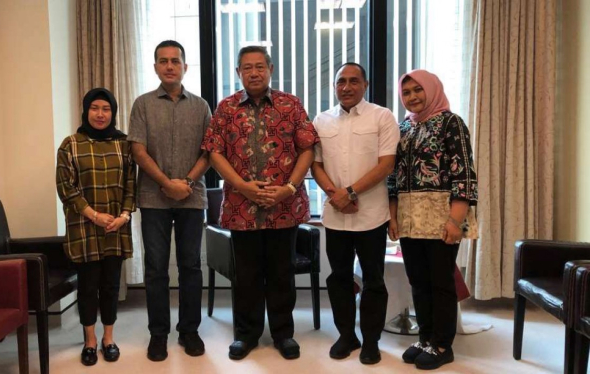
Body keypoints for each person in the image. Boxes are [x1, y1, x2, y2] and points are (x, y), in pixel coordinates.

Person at [202, 46, 319, 361]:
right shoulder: (226, 108)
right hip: (242, 209)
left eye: (259, 67)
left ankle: (283, 334)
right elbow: (214, 152)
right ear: (238, 72)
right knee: (247, 276)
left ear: (270, 69)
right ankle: (246, 335)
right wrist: (242, 186)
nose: (254, 73)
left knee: (282, 273)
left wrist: (289, 187)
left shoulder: (291, 104)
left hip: (285, 206)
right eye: (246, 68)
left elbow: (308, 148)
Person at [387, 69, 478, 370]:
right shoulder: (404, 128)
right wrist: (393, 217)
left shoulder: (451, 123)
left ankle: (442, 344)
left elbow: (464, 175)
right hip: (410, 217)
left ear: (432, 89)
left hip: (442, 215)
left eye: (418, 90)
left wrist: (456, 221)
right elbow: (394, 177)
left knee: (440, 281)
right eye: (406, 92)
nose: (412, 97)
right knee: (418, 281)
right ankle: (425, 338)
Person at [127, 40, 212, 362]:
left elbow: (209, 153)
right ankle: (158, 335)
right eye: (163, 61)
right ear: (155, 67)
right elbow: (138, 150)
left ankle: (190, 331)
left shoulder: (201, 106)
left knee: (191, 266)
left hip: (191, 197)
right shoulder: (143, 104)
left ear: (185, 67)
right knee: (156, 268)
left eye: (175, 60)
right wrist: (165, 183)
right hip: (153, 198)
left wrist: (186, 183)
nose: (169, 66)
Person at [311, 62, 400, 365]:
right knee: (338, 278)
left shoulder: (382, 117)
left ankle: (371, 341)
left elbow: (386, 164)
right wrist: (335, 196)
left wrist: (348, 193)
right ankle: (346, 335)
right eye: (340, 82)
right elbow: (316, 165)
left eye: (353, 81)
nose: (346, 87)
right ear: (334, 86)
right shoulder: (321, 120)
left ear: (365, 84)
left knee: (373, 279)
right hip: (335, 216)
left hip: (371, 215)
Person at [56, 88, 136, 366]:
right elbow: (66, 187)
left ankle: (108, 338)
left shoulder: (124, 144)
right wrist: (93, 215)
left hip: (115, 226)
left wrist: (125, 215)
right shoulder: (71, 144)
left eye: (106, 109)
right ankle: (90, 340)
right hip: (85, 228)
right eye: (95, 108)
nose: (100, 114)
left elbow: (130, 184)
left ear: (113, 113)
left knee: (111, 286)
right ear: (86, 111)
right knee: (88, 287)